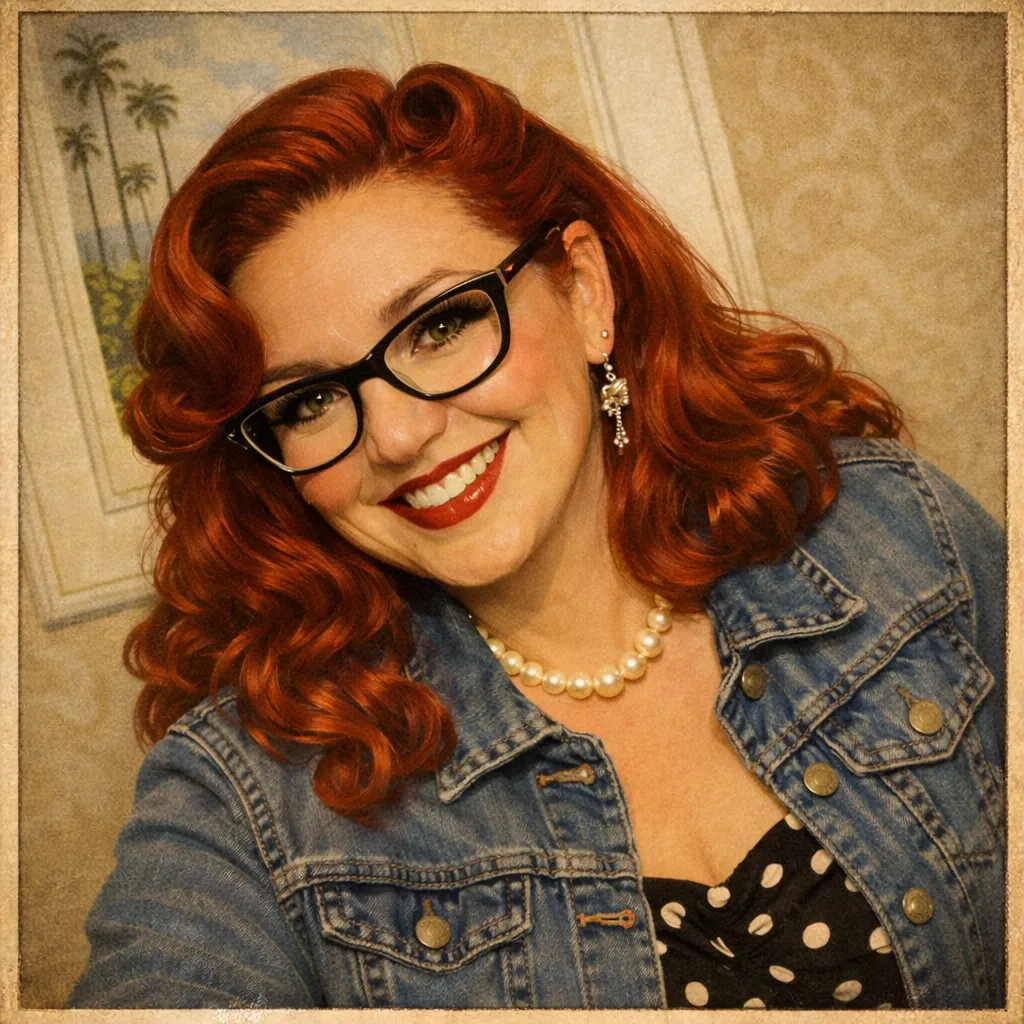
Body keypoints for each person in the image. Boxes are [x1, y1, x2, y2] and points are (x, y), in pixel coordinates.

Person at [67, 63, 1005, 1010]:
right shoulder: (248, 799)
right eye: (310, 399)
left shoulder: (892, 532)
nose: (395, 436)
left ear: (586, 291)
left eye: (439, 325)